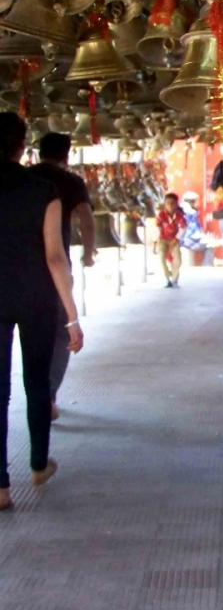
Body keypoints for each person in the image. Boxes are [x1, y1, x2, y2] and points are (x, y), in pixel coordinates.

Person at [0, 113, 83, 510]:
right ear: (22, 147)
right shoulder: (43, 189)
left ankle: (0, 487)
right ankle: (37, 464)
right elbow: (55, 257)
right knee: (36, 382)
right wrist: (72, 315)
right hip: (36, 297)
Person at [27, 132, 95, 420]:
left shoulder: (25, 178)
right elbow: (87, 218)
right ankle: (48, 396)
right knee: (59, 334)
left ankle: (38, 396)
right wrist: (89, 253)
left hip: (19, 270)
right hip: (56, 269)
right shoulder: (70, 182)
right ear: (66, 155)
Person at [156, 193, 186, 288]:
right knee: (161, 258)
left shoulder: (179, 216)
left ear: (177, 204)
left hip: (174, 240)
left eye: (172, 203)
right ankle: (167, 278)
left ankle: (174, 279)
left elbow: (183, 228)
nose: (170, 205)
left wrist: (176, 239)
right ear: (164, 204)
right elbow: (157, 228)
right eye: (168, 203)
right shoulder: (161, 215)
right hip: (163, 239)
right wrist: (155, 242)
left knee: (178, 260)